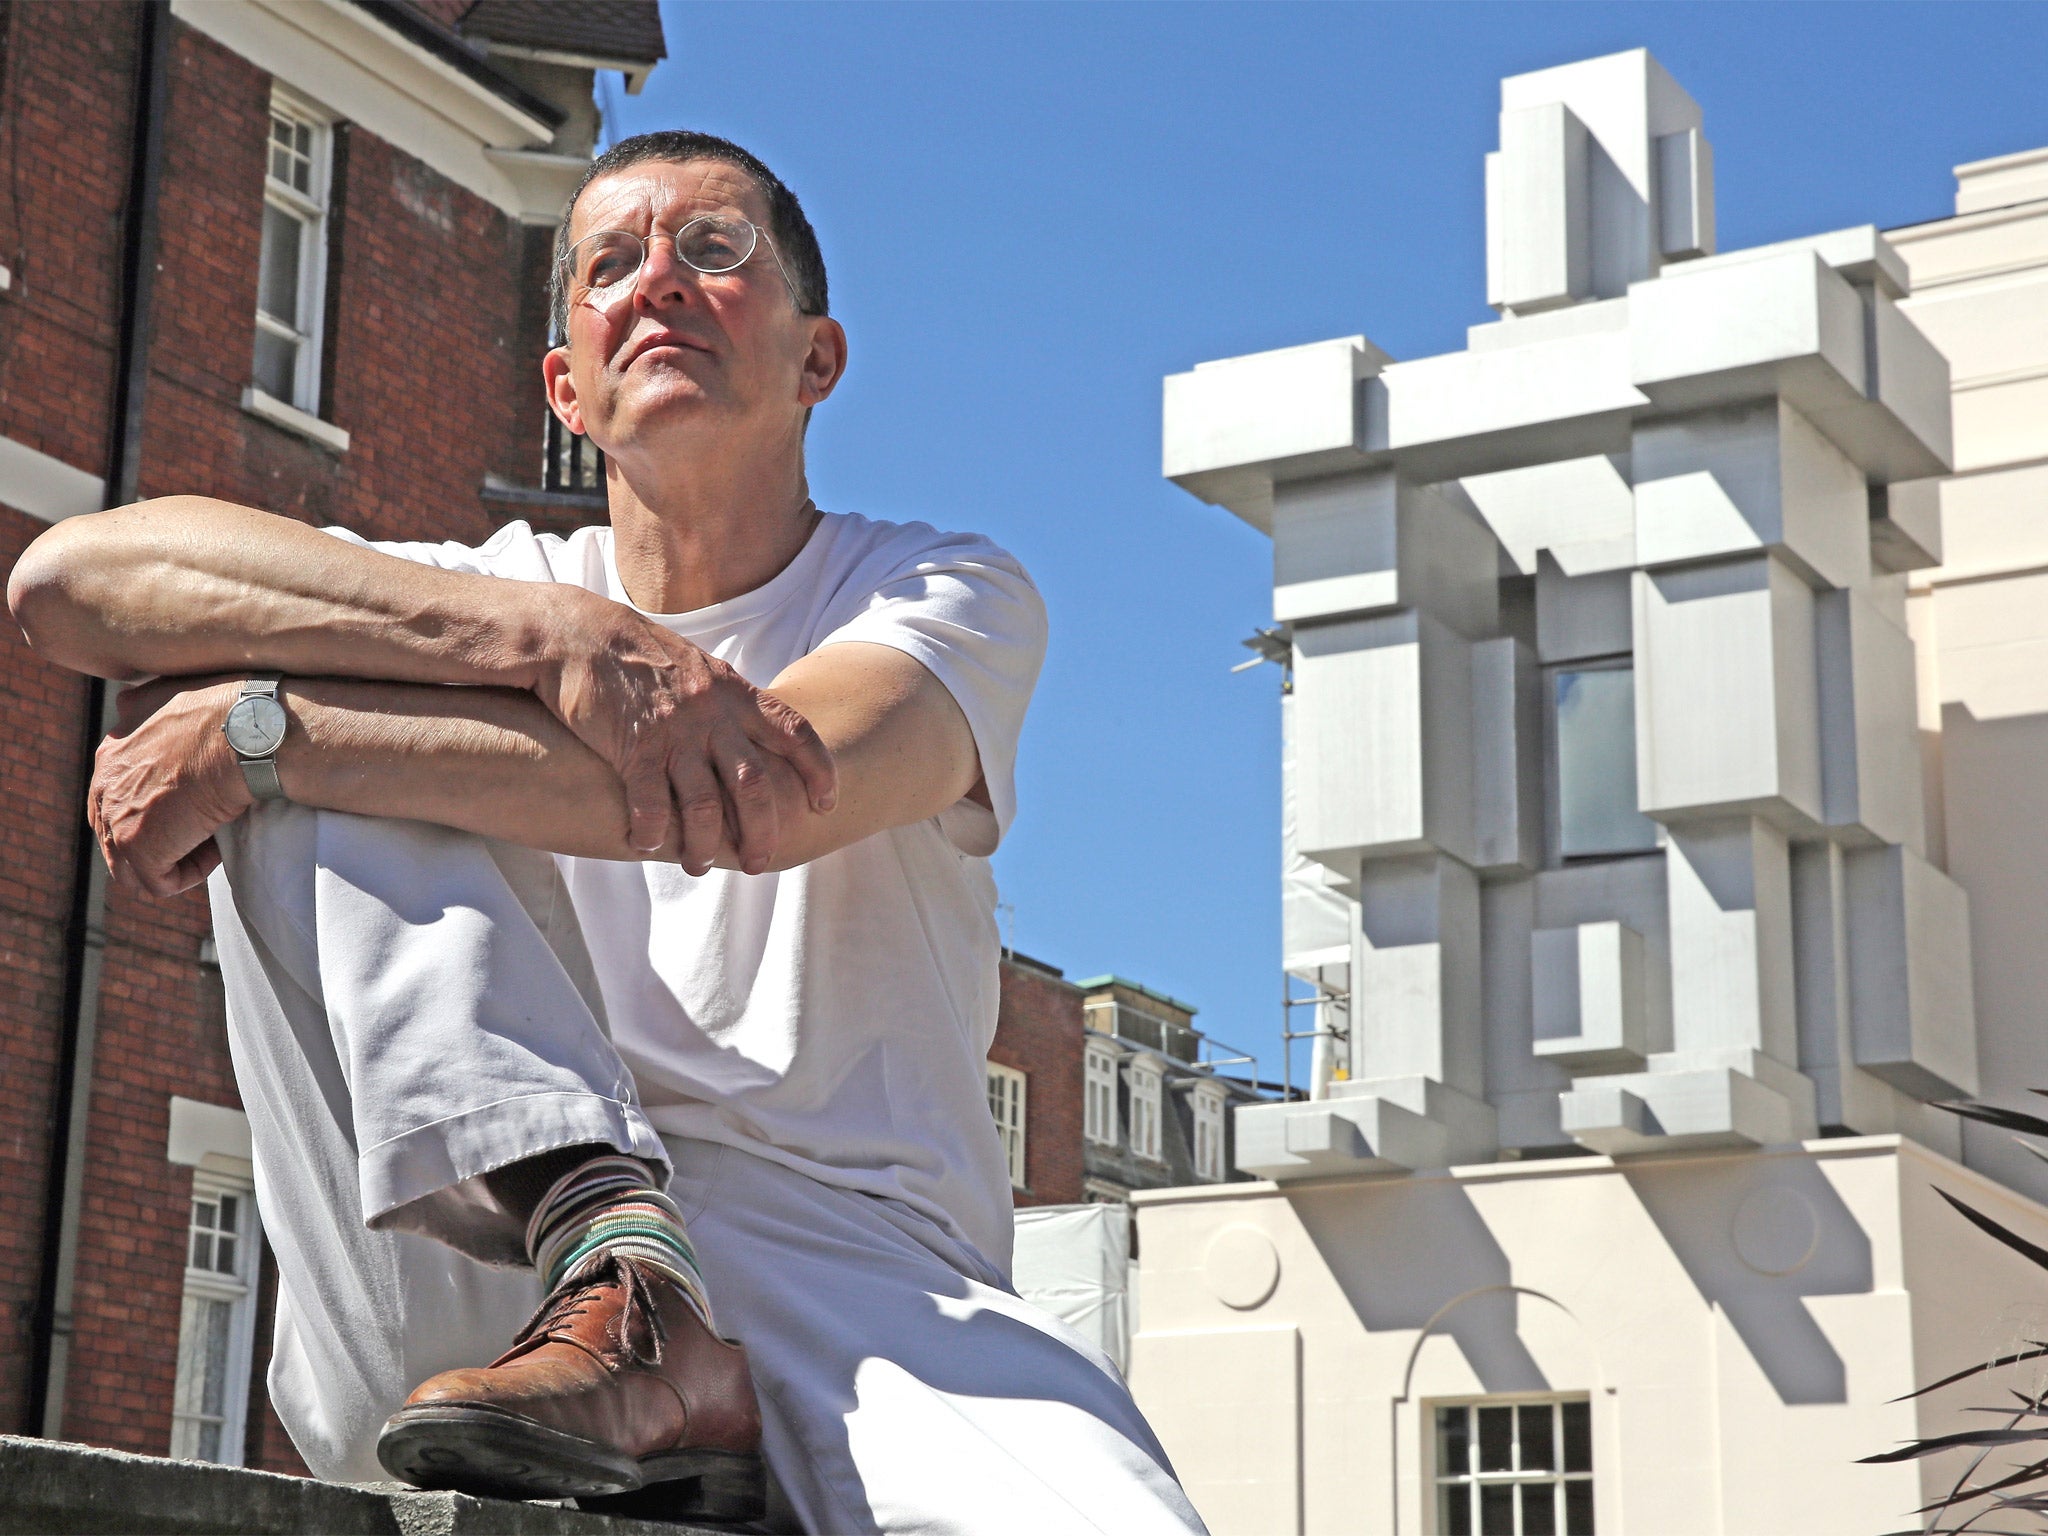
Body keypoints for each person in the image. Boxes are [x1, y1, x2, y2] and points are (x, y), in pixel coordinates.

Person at [8, 130, 1206, 1536]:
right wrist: (542, 634)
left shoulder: (942, 591)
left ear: (818, 359)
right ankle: (604, 1237)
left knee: (280, 722)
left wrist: (262, 736)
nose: (659, 283)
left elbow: (763, 791)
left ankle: (650, 1310)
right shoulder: (496, 594)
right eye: (608, 264)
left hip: (845, 1269)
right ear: (564, 389)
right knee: (294, 689)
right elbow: (66, 582)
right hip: (462, 1247)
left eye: (714, 250)